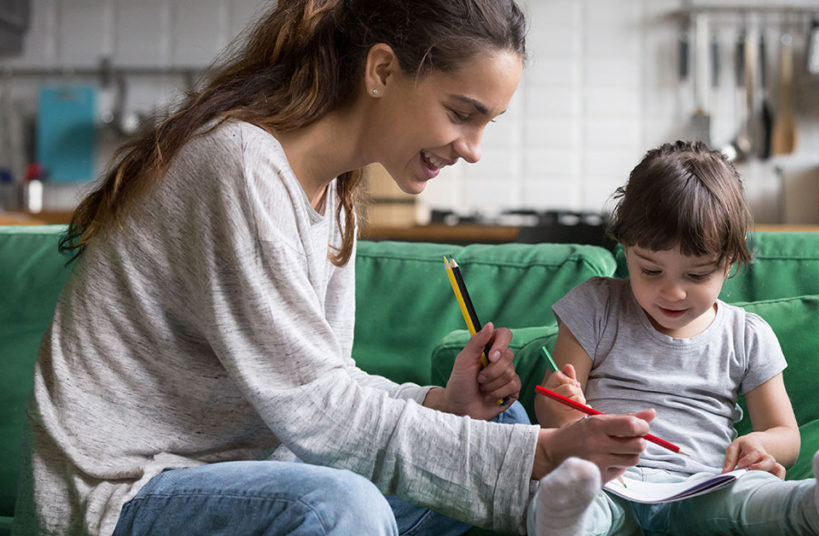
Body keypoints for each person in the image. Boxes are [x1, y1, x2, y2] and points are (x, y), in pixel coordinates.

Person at [13, 1, 657, 534]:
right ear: (381, 70)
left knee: (499, 425)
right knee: (343, 509)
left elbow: (325, 381)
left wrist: (442, 402)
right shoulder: (239, 165)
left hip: (256, 469)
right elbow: (317, 408)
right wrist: (538, 456)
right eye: (462, 113)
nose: (473, 149)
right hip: (124, 493)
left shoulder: (338, 195)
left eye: (487, 123)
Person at [531, 141, 819, 536]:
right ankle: (565, 520)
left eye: (696, 276)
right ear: (626, 250)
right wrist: (562, 408)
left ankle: (818, 508)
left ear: (729, 263)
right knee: (571, 492)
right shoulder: (596, 305)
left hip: (701, 486)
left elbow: (787, 435)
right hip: (610, 479)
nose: (673, 292)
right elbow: (553, 410)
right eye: (650, 271)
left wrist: (762, 445)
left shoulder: (747, 336)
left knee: (753, 497)